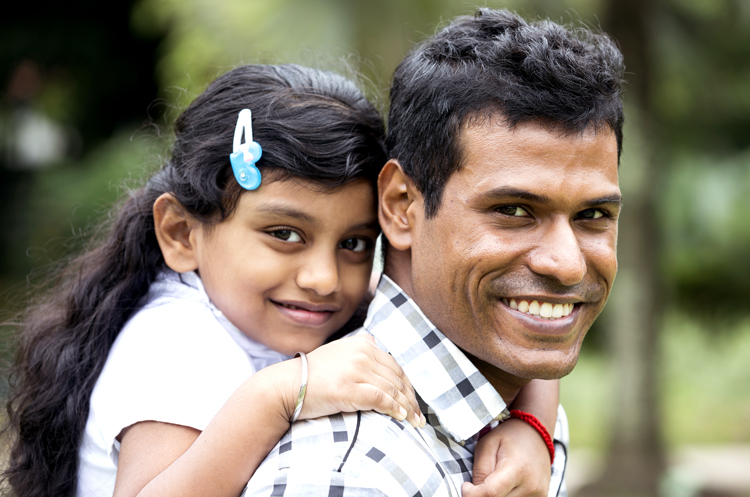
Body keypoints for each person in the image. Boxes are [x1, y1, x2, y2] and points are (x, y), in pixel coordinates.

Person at [2, 63, 561, 497]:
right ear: (180, 234)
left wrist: (531, 426)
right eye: (284, 234)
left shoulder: (296, 307)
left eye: (354, 244)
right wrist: (276, 396)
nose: (322, 279)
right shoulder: (175, 345)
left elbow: (493, 331)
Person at [243, 8, 625, 497]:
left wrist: (535, 423)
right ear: (402, 206)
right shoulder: (347, 476)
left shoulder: (515, 405)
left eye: (593, 215)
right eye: (513, 209)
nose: (568, 263)